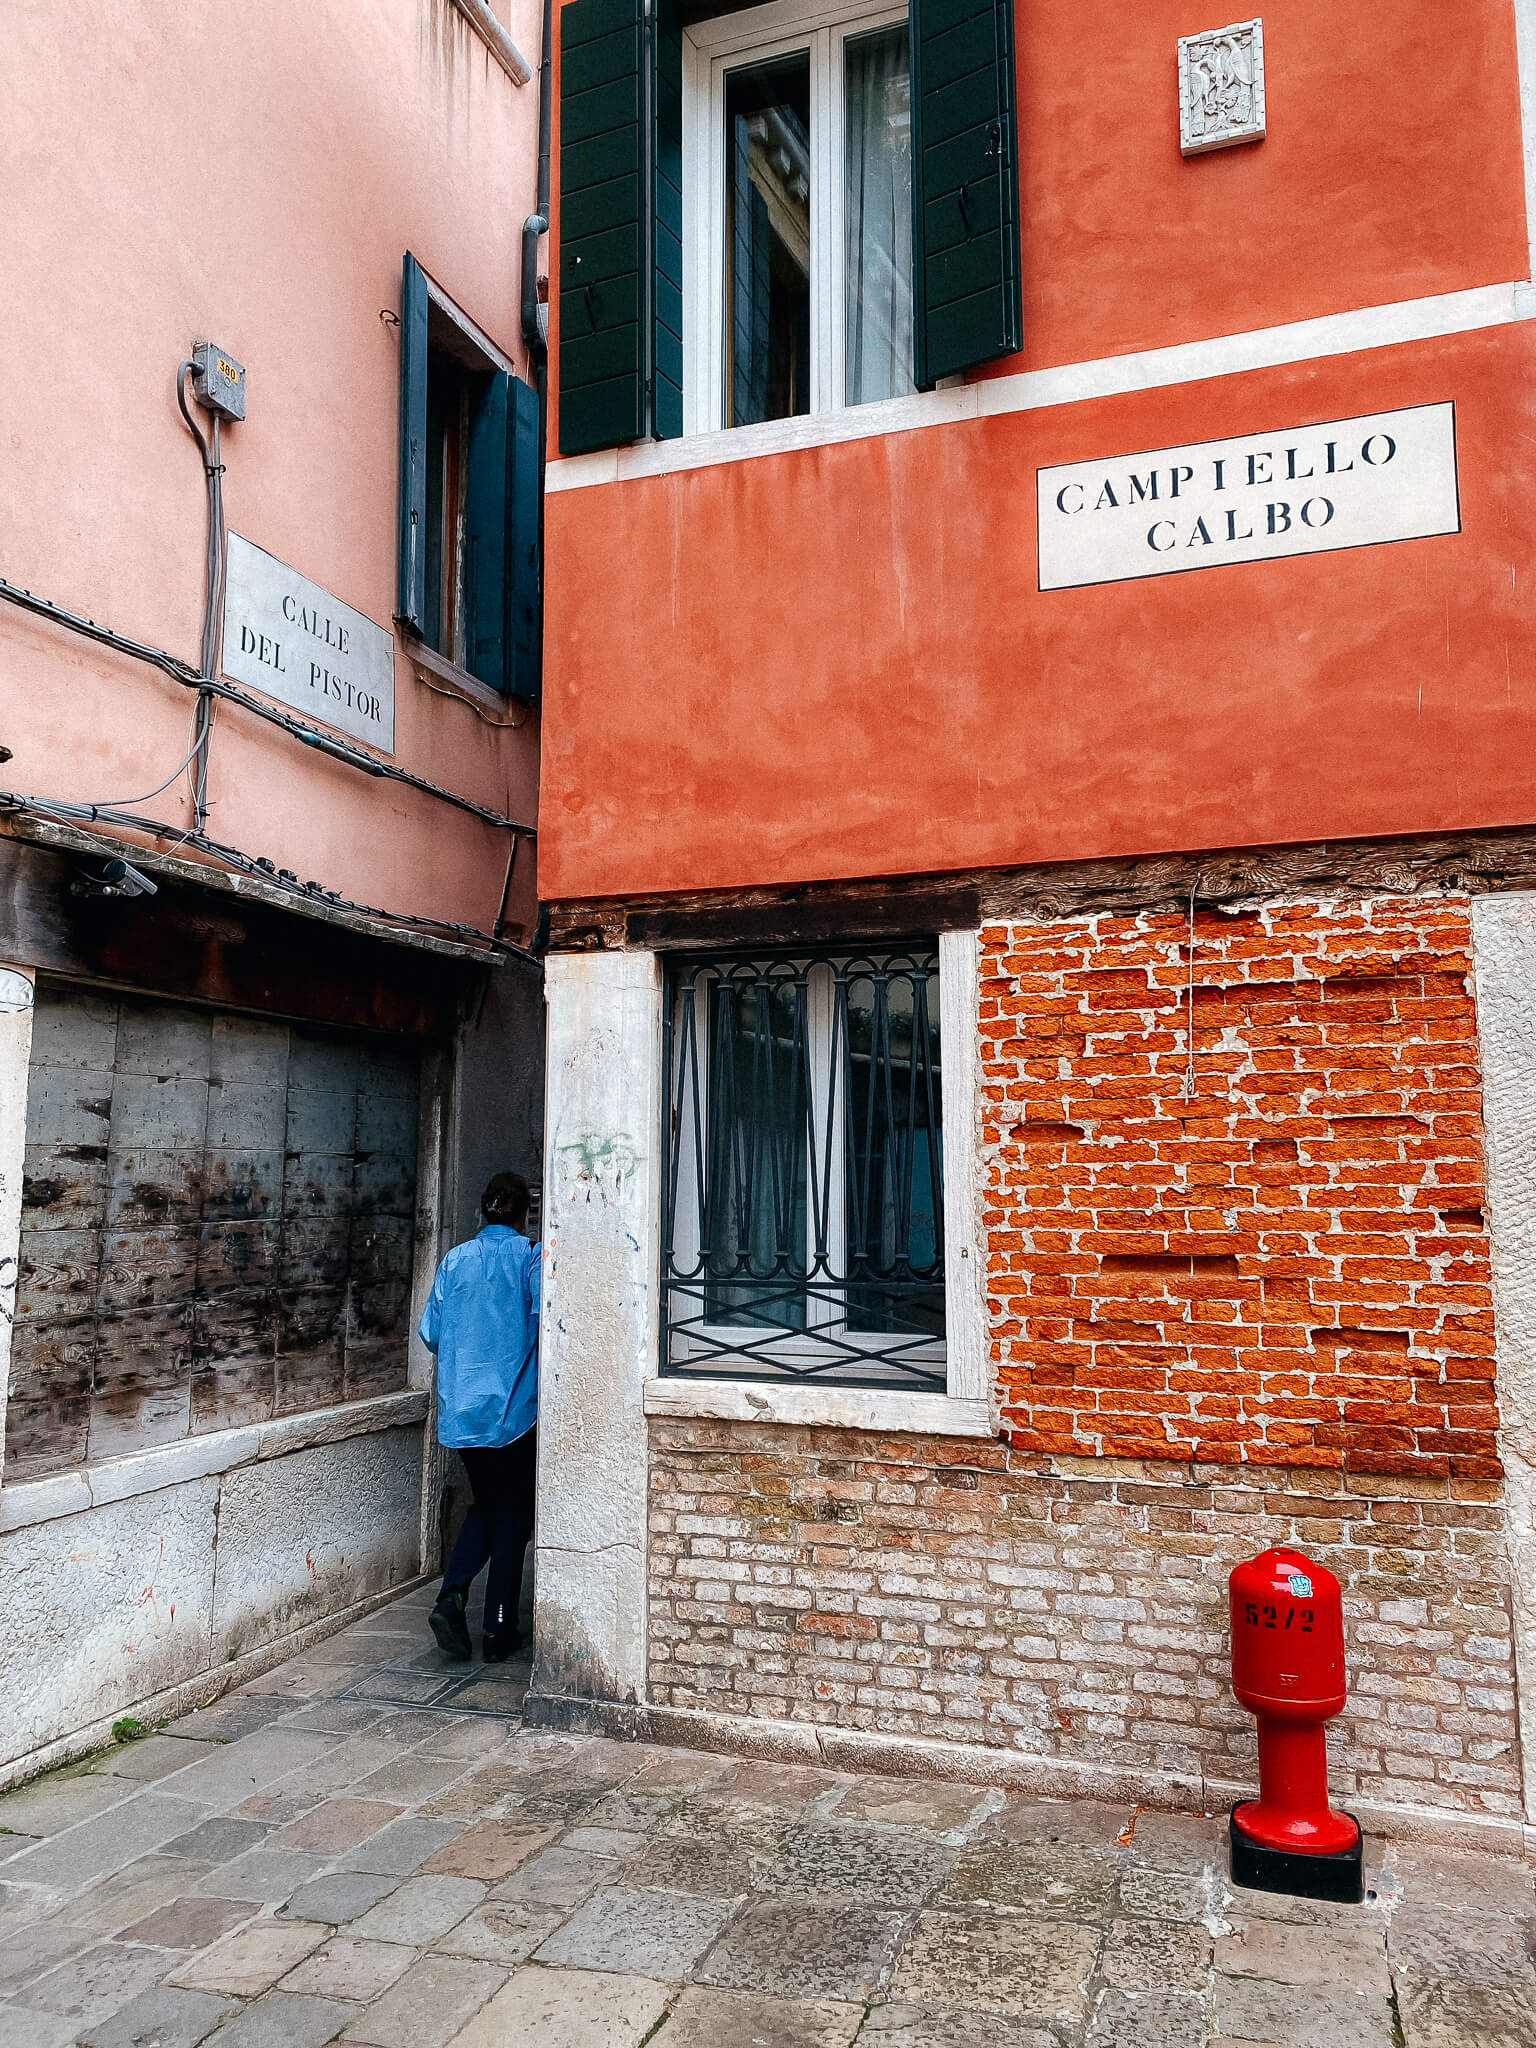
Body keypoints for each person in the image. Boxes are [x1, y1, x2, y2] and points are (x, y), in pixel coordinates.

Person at [418, 1169, 540, 1662]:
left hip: (463, 1413)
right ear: (523, 1213)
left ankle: (452, 1595)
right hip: (513, 1412)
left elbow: (431, 1332)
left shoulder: (453, 1261)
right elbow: (546, 1325)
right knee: (511, 1514)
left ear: (483, 1210)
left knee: (487, 1506)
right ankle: (498, 1627)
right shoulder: (531, 1259)